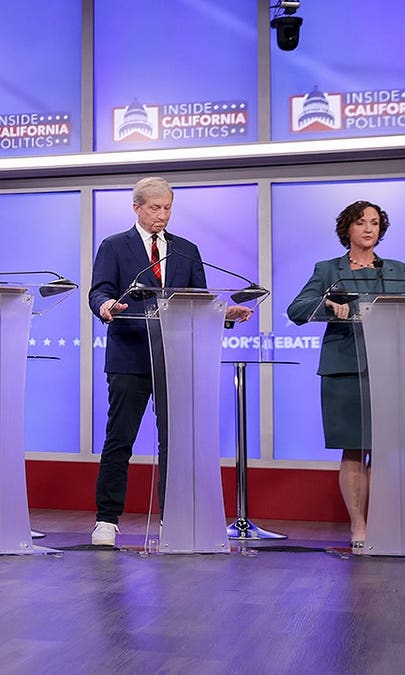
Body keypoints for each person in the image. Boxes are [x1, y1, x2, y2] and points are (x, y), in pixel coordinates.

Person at [87, 177, 252, 547]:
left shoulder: (186, 250)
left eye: (167, 208)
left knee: (175, 443)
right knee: (120, 439)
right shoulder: (114, 246)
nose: (162, 215)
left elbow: (199, 301)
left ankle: (173, 518)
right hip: (130, 356)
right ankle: (107, 520)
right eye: (154, 208)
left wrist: (224, 312)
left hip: (177, 359)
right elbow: (99, 290)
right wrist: (105, 306)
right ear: (137, 208)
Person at [286, 200, 405, 549]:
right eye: (361, 223)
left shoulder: (399, 270)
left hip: (392, 369)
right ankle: (359, 526)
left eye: (375, 223)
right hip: (346, 370)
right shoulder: (328, 269)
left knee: (388, 451)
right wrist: (327, 302)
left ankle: (390, 524)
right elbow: (297, 310)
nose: (369, 229)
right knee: (355, 450)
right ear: (348, 229)